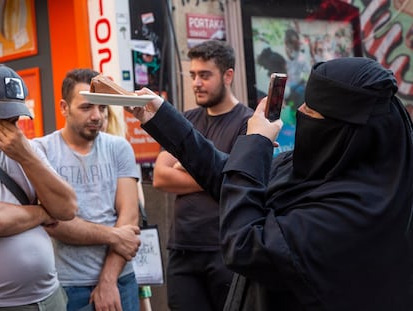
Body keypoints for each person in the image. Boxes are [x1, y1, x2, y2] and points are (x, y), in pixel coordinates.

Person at [126, 57, 413, 310]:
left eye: (311, 113)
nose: (300, 112)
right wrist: (161, 115)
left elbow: (246, 245)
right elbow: (231, 177)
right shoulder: (319, 169)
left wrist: (256, 142)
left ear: (345, 135)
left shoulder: (358, 211)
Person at [152, 39, 253, 311]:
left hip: (226, 251)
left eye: (205, 75)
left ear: (228, 75)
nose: (196, 82)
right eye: (193, 75)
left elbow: (240, 180)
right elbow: (160, 177)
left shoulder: (249, 122)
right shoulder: (185, 120)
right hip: (183, 249)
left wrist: (187, 166)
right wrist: (217, 172)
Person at [32, 69, 141, 311]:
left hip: (120, 279)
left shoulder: (119, 147)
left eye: (102, 108)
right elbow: (55, 224)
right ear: (64, 108)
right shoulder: (41, 151)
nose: (96, 116)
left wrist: (108, 280)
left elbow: (130, 218)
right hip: (66, 285)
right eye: (86, 107)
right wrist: (114, 235)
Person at [0, 64, 78, 309]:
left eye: (15, 118)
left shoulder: (26, 148)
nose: (11, 126)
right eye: (2, 117)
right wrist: (44, 212)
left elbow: (67, 208)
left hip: (50, 298)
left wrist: (26, 157)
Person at [102, 105, 152, 311]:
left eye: (103, 112)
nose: (96, 117)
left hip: (127, 250)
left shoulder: (120, 151)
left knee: (141, 297)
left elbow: (136, 206)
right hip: (102, 251)